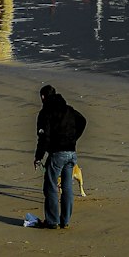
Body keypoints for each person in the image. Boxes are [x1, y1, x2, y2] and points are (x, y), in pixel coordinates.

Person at [33, 84, 86, 229]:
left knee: (50, 186)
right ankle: (65, 221)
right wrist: (73, 137)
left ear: (43, 97)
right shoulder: (68, 109)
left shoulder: (45, 113)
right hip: (71, 153)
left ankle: (52, 221)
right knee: (67, 186)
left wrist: (38, 157)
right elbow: (83, 121)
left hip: (57, 154)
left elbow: (43, 137)